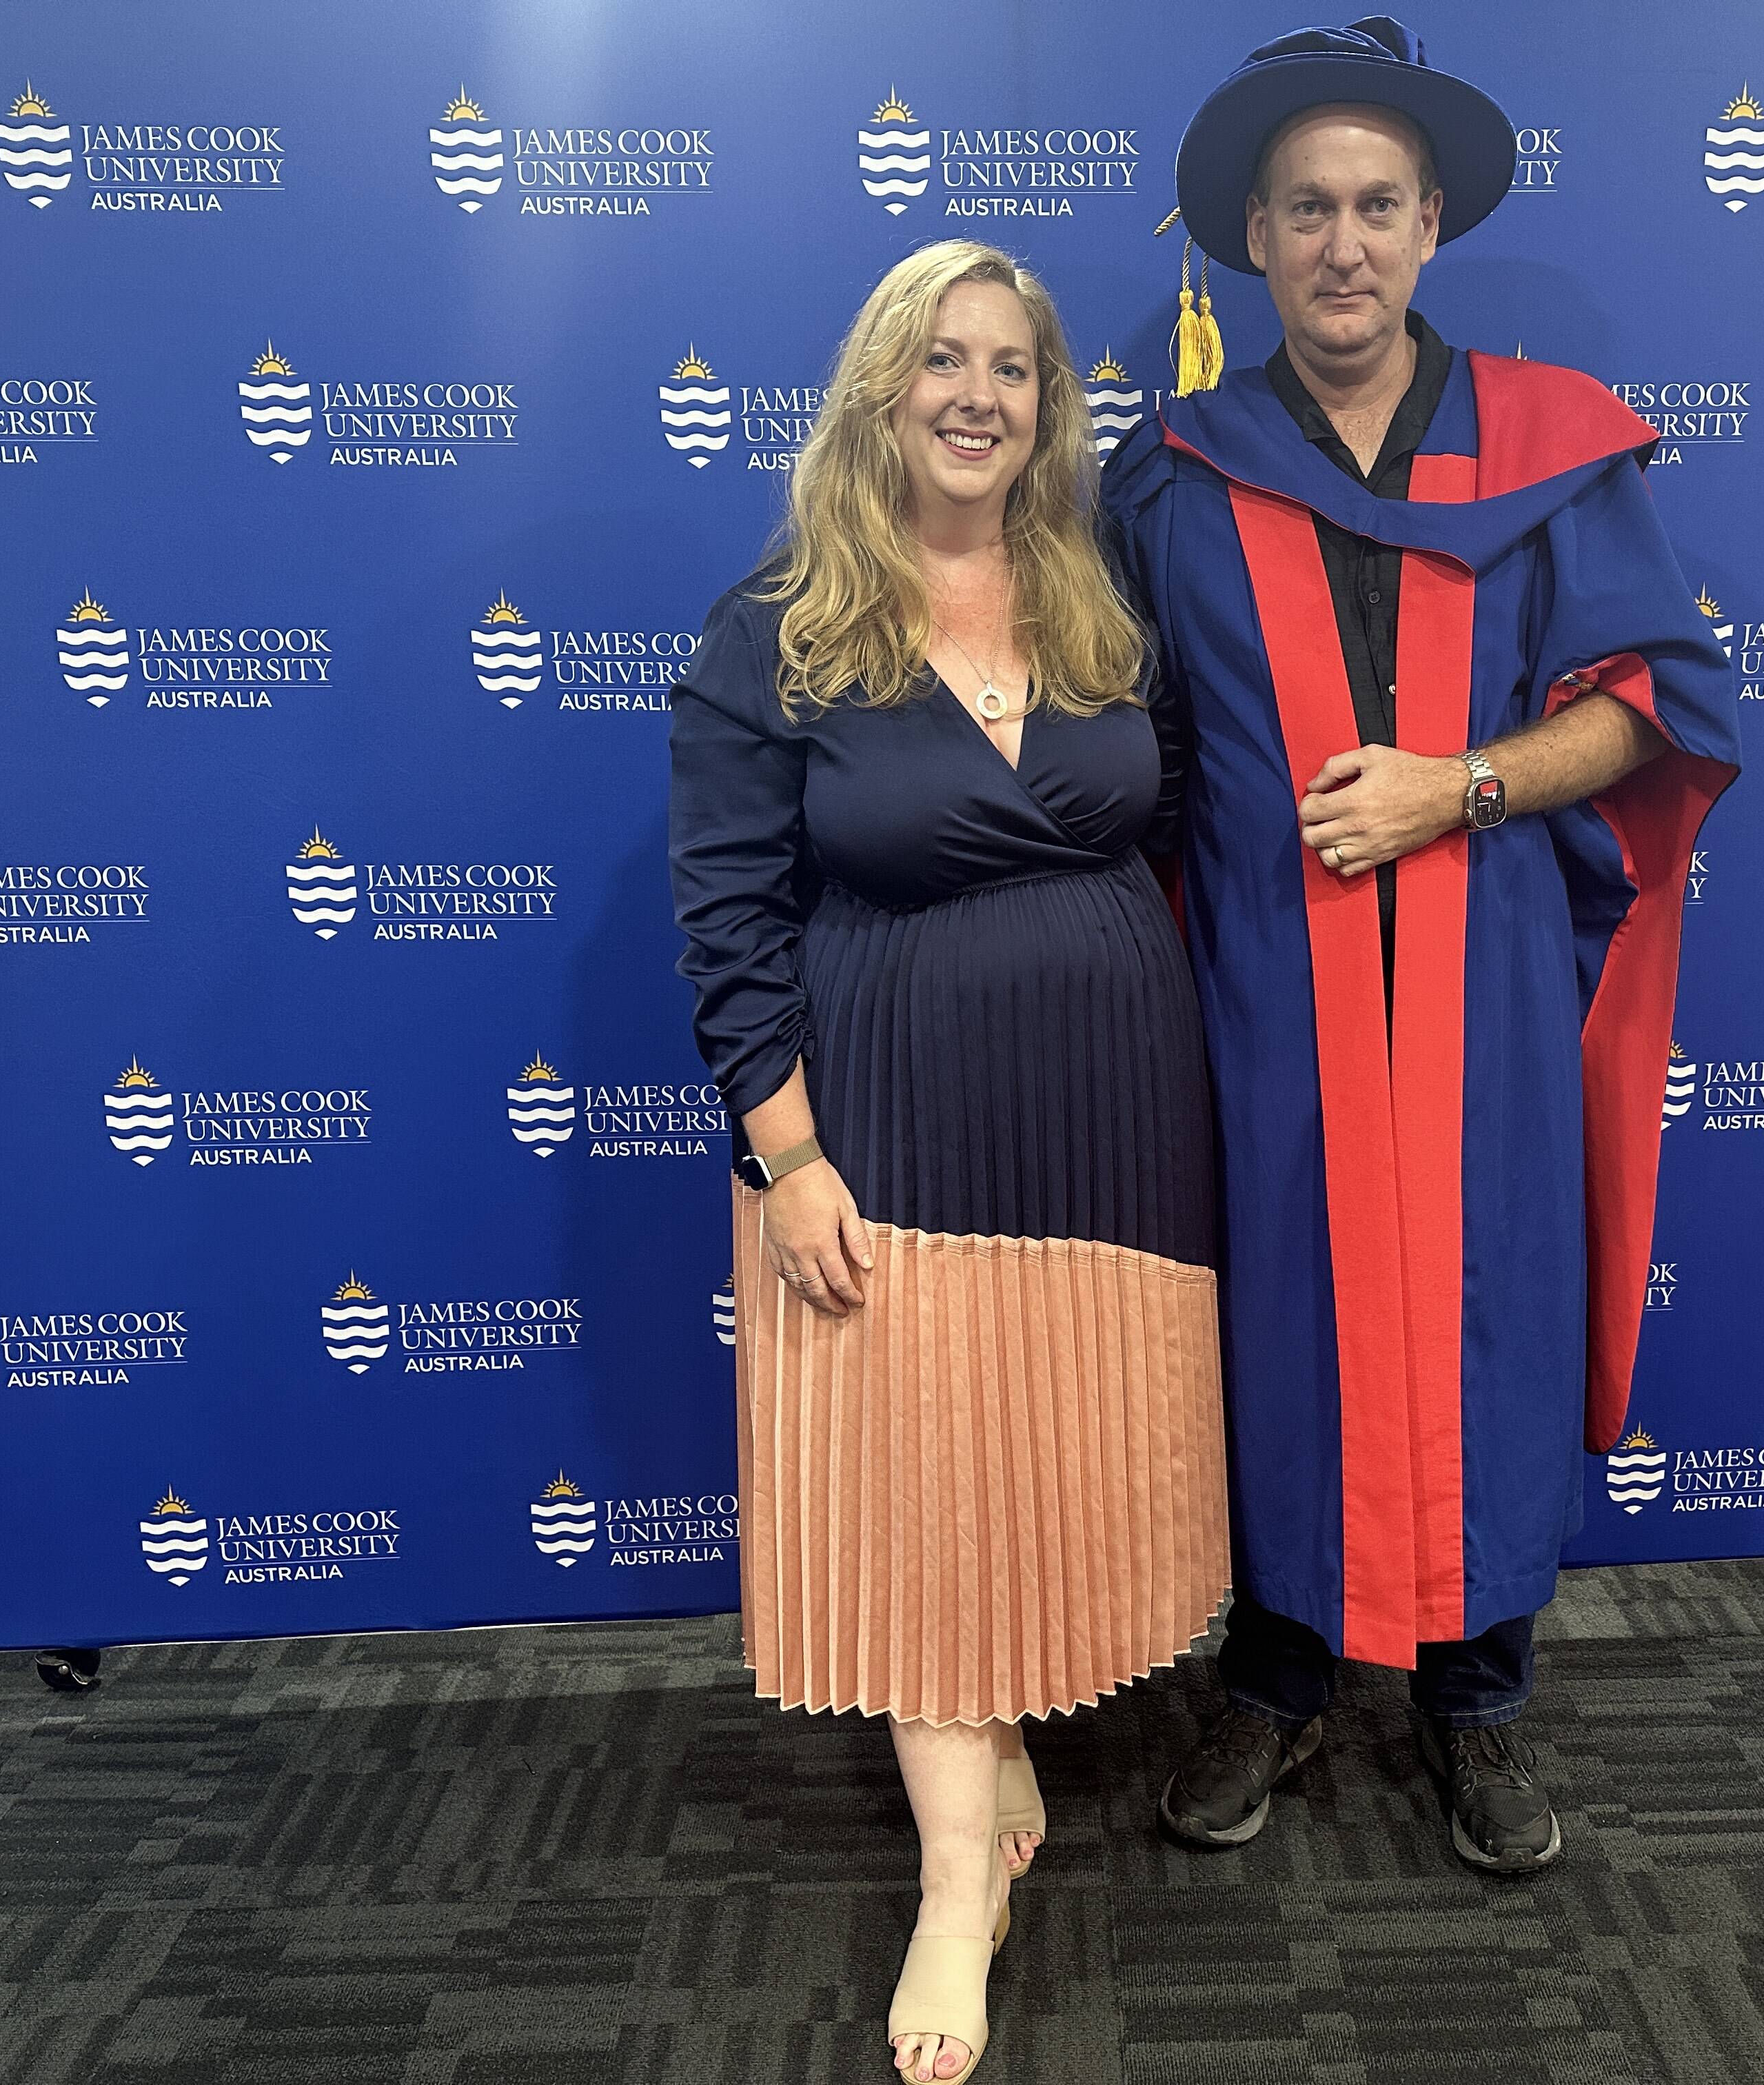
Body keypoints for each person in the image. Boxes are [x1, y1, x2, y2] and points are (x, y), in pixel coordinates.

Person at [1102, 19, 1743, 1875]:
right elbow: (1110, 744)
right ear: (1255, 235)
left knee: (1487, 1317)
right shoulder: (1173, 482)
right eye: (1305, 207)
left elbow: (1648, 710)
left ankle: (1478, 1705)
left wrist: (1461, 787)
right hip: (1266, 1003)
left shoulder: (1556, 455)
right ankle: (1284, 1679)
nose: (1343, 243)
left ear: (1433, 221)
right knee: (1289, 1325)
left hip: (1486, 1000)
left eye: (1378, 203)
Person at [669, 240, 1228, 2082]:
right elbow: (730, 915)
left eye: (1013, 365)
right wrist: (789, 1157)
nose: (977, 393)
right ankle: (956, 1889)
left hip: (1114, 1119)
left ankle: (999, 1770)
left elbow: (1192, 821)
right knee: (921, 1492)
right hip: (887, 1124)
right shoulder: (779, 626)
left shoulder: (1103, 596)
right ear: (880, 390)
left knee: (1052, 1456)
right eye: (941, 359)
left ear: (1052, 404)